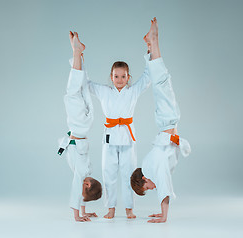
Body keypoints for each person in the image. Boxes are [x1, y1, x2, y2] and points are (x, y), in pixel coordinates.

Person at [86, 27, 153, 220]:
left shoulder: (132, 91)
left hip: (128, 137)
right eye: (116, 76)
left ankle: (130, 208)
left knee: (130, 174)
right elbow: (87, 84)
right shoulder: (104, 91)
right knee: (109, 174)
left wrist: (149, 51)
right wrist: (79, 58)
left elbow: (147, 79)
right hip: (109, 137)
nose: (120, 80)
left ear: (128, 77)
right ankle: (111, 208)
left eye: (123, 76)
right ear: (111, 76)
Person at [130, 17, 191, 223]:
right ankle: (150, 44)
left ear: (144, 180)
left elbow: (164, 186)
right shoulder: (151, 166)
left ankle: (153, 41)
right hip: (167, 122)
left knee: (161, 81)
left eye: (147, 188)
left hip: (167, 121)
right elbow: (162, 183)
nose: (151, 188)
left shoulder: (151, 167)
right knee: (161, 82)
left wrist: (164, 216)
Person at [57, 31, 102, 222]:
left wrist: (84, 212)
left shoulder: (85, 172)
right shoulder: (83, 174)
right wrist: (77, 215)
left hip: (83, 127)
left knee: (81, 88)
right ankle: (77, 53)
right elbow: (77, 189)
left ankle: (79, 54)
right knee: (72, 92)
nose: (82, 187)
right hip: (79, 127)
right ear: (87, 185)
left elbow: (80, 191)